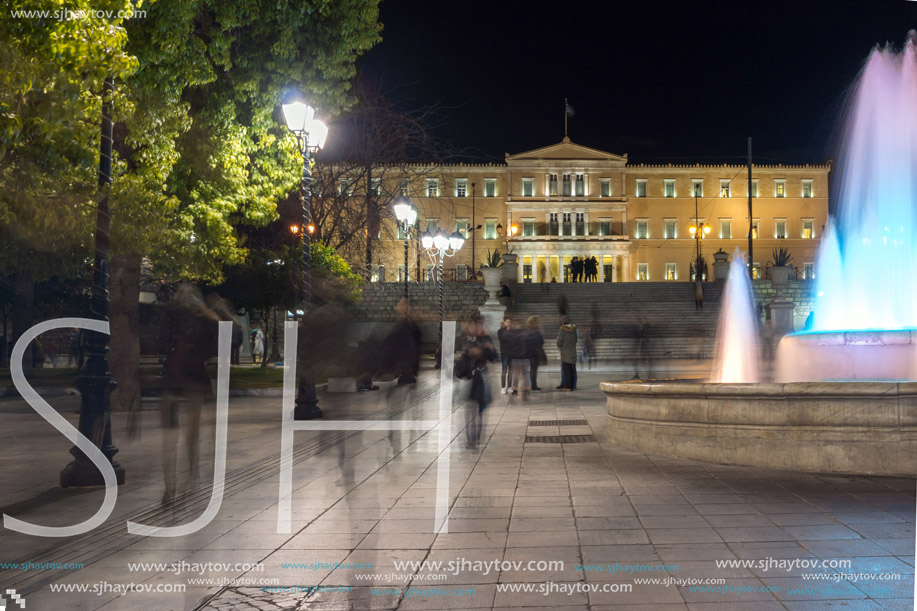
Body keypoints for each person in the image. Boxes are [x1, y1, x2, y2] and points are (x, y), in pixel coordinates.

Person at [158, 284, 222, 504]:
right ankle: (190, 478)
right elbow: (221, 343)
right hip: (194, 380)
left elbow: (159, 343)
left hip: (171, 379)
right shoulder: (206, 321)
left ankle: (170, 488)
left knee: (169, 436)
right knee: (190, 435)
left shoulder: (169, 318)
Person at [460, 316, 498, 449]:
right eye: (472, 325)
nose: (475, 328)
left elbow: (494, 358)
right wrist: (468, 353)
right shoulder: (465, 339)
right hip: (469, 378)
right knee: (470, 410)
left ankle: (475, 439)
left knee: (480, 411)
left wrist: (490, 348)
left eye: (477, 325)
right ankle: (471, 440)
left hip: (482, 377)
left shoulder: (486, 339)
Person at [556, 315, 578, 391]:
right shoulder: (574, 329)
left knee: (566, 370)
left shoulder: (562, 329)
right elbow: (576, 340)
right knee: (572, 370)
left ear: (562, 322)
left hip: (565, 353)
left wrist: (559, 344)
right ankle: (572, 386)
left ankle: (567, 387)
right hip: (573, 352)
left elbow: (560, 341)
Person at [526, 316, 545, 391]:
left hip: (528, 353)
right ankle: (533, 385)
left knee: (530, 370)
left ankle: (531, 384)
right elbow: (541, 342)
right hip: (535, 353)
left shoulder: (527, 330)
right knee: (533, 370)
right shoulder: (537, 332)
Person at [497, 317, 511, 393]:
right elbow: (502, 340)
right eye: (507, 322)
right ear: (504, 322)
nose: (509, 324)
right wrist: (507, 332)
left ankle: (509, 386)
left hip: (511, 353)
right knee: (504, 370)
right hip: (504, 353)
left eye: (509, 322)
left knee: (511, 371)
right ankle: (503, 387)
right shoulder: (500, 331)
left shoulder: (511, 331)